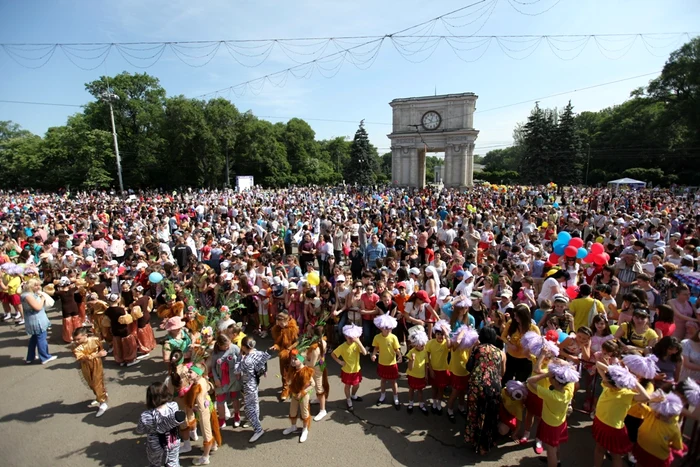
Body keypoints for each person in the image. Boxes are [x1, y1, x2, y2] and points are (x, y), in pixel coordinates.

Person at [592, 361, 653, 467]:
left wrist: (633, 380)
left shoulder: (627, 395)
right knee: (599, 449)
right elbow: (598, 364)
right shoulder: (608, 386)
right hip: (600, 423)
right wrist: (618, 372)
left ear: (614, 383)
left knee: (615, 455)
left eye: (607, 378)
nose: (604, 379)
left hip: (613, 429)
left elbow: (646, 397)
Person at [526, 361, 579, 467]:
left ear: (554, 381)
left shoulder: (550, 395)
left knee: (551, 452)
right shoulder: (568, 390)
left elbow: (530, 381)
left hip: (549, 425)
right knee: (556, 444)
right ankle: (558, 461)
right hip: (560, 423)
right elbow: (572, 369)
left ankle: (554, 462)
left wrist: (546, 374)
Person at [464, 326, 505, 455]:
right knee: (490, 415)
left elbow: (468, 367)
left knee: (474, 412)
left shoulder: (477, 349)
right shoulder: (501, 352)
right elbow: (502, 372)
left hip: (477, 385)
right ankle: (484, 446)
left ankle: (472, 439)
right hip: (493, 386)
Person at [137, 382, 185, 467]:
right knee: (173, 461)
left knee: (154, 463)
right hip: (172, 439)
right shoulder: (174, 406)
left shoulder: (146, 415)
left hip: (155, 442)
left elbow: (140, 430)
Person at [632, 391, 684, 467]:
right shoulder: (651, 414)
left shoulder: (674, 429)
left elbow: (677, 446)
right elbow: (639, 403)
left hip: (657, 456)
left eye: (663, 413)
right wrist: (653, 400)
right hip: (642, 448)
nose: (658, 413)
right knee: (639, 463)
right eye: (658, 409)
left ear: (671, 415)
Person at [235, 335, 271, 443]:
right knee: (255, 404)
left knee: (249, 408)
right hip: (255, 382)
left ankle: (258, 429)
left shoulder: (246, 360)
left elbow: (236, 370)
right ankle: (256, 421)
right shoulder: (259, 353)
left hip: (249, 384)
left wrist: (239, 357)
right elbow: (262, 363)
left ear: (244, 347)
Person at [72, 326, 108, 417]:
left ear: (85, 336)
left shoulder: (95, 339)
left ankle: (103, 402)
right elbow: (81, 357)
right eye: (75, 339)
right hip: (85, 366)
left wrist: (100, 355)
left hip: (96, 364)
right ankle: (100, 394)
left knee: (97, 382)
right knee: (91, 383)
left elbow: (100, 348)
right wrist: (97, 355)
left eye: (78, 339)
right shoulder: (76, 347)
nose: (76, 341)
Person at [281, 349, 316, 443]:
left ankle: (305, 429)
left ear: (301, 360)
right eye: (292, 359)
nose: (292, 361)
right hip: (294, 394)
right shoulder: (293, 369)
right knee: (292, 411)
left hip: (303, 395)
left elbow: (313, 384)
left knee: (304, 412)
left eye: (295, 359)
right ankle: (293, 427)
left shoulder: (306, 371)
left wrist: (303, 392)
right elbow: (290, 381)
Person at [331, 323, 367, 412]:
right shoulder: (342, 347)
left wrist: (358, 342)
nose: (351, 339)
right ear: (345, 336)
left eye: (353, 337)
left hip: (356, 370)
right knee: (347, 386)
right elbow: (333, 354)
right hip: (347, 370)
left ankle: (353, 395)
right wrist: (340, 362)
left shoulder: (356, 344)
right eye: (349, 337)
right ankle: (348, 400)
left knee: (356, 385)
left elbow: (365, 353)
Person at [21, 278, 56, 365]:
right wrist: (43, 299)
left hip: (33, 319)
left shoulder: (26, 294)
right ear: (31, 286)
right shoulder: (28, 296)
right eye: (36, 285)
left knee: (34, 339)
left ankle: (30, 357)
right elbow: (38, 307)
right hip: (37, 320)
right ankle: (45, 357)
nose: (38, 287)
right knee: (42, 338)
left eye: (39, 285)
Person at [501, 304, 540, 384]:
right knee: (506, 378)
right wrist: (510, 344)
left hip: (525, 359)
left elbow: (538, 344)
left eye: (517, 316)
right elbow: (503, 336)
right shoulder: (511, 323)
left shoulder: (533, 328)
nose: (515, 318)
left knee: (520, 381)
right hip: (511, 356)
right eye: (514, 315)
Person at [447, 326, 478, 422]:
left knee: (463, 392)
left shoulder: (467, 347)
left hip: (465, 372)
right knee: (455, 392)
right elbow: (457, 341)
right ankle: (450, 409)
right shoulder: (455, 346)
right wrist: (463, 330)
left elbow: (476, 342)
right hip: (457, 373)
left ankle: (461, 407)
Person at [371, 314, 402, 410]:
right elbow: (376, 348)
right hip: (382, 363)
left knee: (393, 381)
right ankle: (382, 396)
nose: (387, 330)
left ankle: (396, 397)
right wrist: (373, 354)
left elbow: (397, 349)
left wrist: (400, 356)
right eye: (385, 328)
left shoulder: (393, 337)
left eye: (389, 328)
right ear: (381, 328)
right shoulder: (377, 337)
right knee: (383, 380)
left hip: (392, 364)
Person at [210, 334, 241, 429]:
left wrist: (239, 370)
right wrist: (216, 378)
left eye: (229, 344)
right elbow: (213, 367)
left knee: (235, 398)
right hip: (221, 380)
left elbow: (240, 359)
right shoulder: (215, 354)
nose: (228, 347)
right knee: (220, 401)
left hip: (233, 378)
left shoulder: (234, 348)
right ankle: (222, 419)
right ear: (219, 345)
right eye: (225, 346)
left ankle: (237, 415)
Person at [269, 311, 299, 401]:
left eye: (282, 322)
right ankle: (285, 388)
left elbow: (298, 341)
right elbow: (278, 343)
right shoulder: (277, 329)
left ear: (287, 320)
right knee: (284, 372)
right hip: (283, 353)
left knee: (295, 370)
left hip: (294, 352)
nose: (280, 324)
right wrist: (275, 346)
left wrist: (291, 348)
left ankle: (295, 386)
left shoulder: (293, 329)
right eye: (278, 322)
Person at [426, 320, 451, 414]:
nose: (440, 336)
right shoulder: (431, 343)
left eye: (442, 334)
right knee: (434, 388)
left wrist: (446, 333)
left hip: (444, 370)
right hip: (434, 369)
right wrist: (430, 369)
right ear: (435, 334)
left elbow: (449, 346)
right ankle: (434, 403)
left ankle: (439, 404)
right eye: (438, 334)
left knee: (441, 389)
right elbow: (427, 356)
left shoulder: (446, 343)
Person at [405, 328, 429, 415]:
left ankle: (421, 404)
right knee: (411, 389)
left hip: (421, 375)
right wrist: (413, 359)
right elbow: (410, 368)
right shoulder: (411, 352)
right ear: (416, 344)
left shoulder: (425, 351)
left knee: (420, 391)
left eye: (423, 345)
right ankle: (410, 403)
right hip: (412, 375)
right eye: (421, 345)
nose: (423, 346)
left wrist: (426, 375)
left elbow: (426, 364)